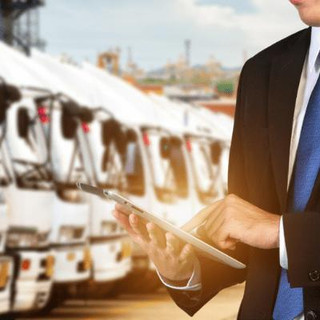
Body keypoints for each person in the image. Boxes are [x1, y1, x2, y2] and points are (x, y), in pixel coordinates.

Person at [113, 0, 320, 319]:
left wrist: (281, 233)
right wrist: (188, 269)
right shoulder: (262, 71)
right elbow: (245, 226)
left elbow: (267, 230)